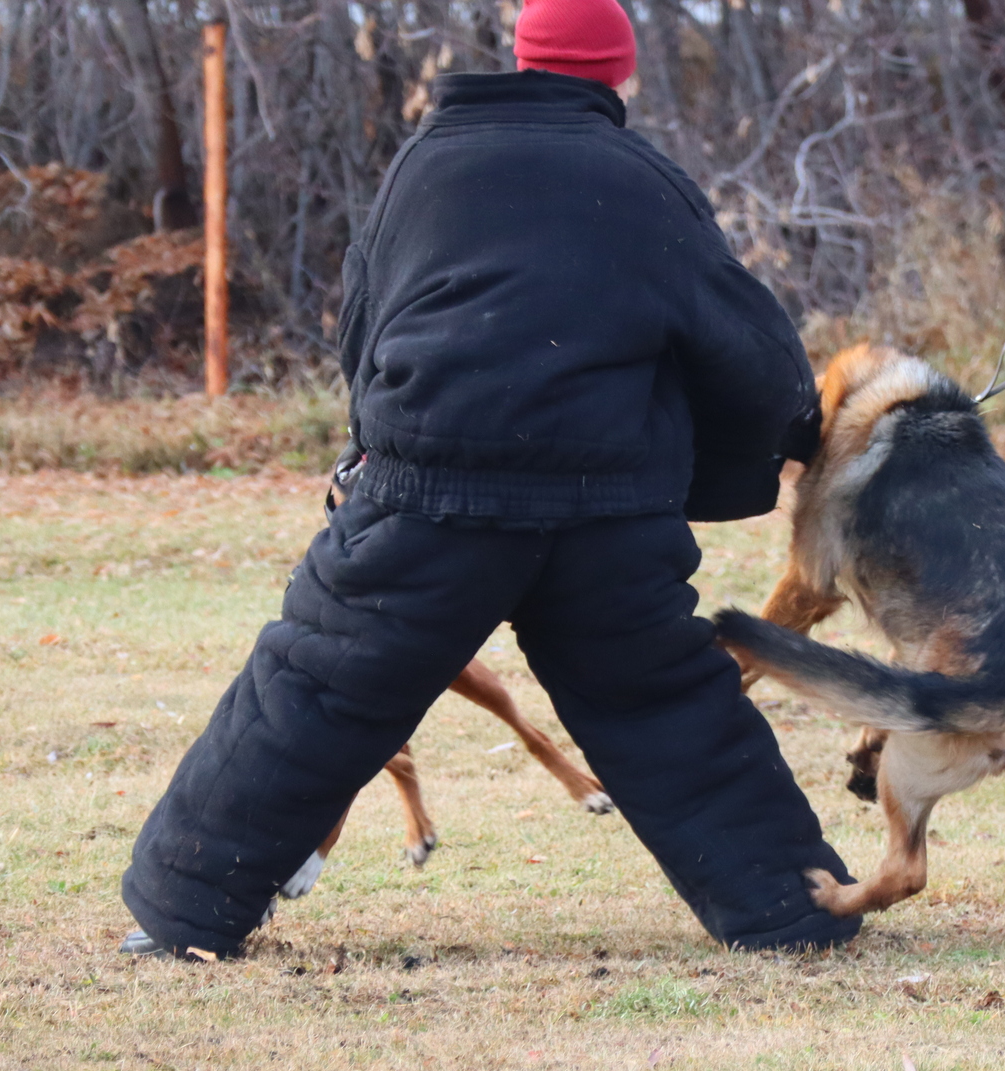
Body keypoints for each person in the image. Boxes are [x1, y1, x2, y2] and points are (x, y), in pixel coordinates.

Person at [117, 0, 859, 957]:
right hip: (605, 515)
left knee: (313, 688)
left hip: (429, 498)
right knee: (669, 704)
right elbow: (750, 354)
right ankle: (796, 915)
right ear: (617, 75)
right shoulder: (644, 181)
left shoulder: (426, 164)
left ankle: (182, 915)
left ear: (521, 56)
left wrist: (372, 445)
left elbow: (363, 327)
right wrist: (774, 447)